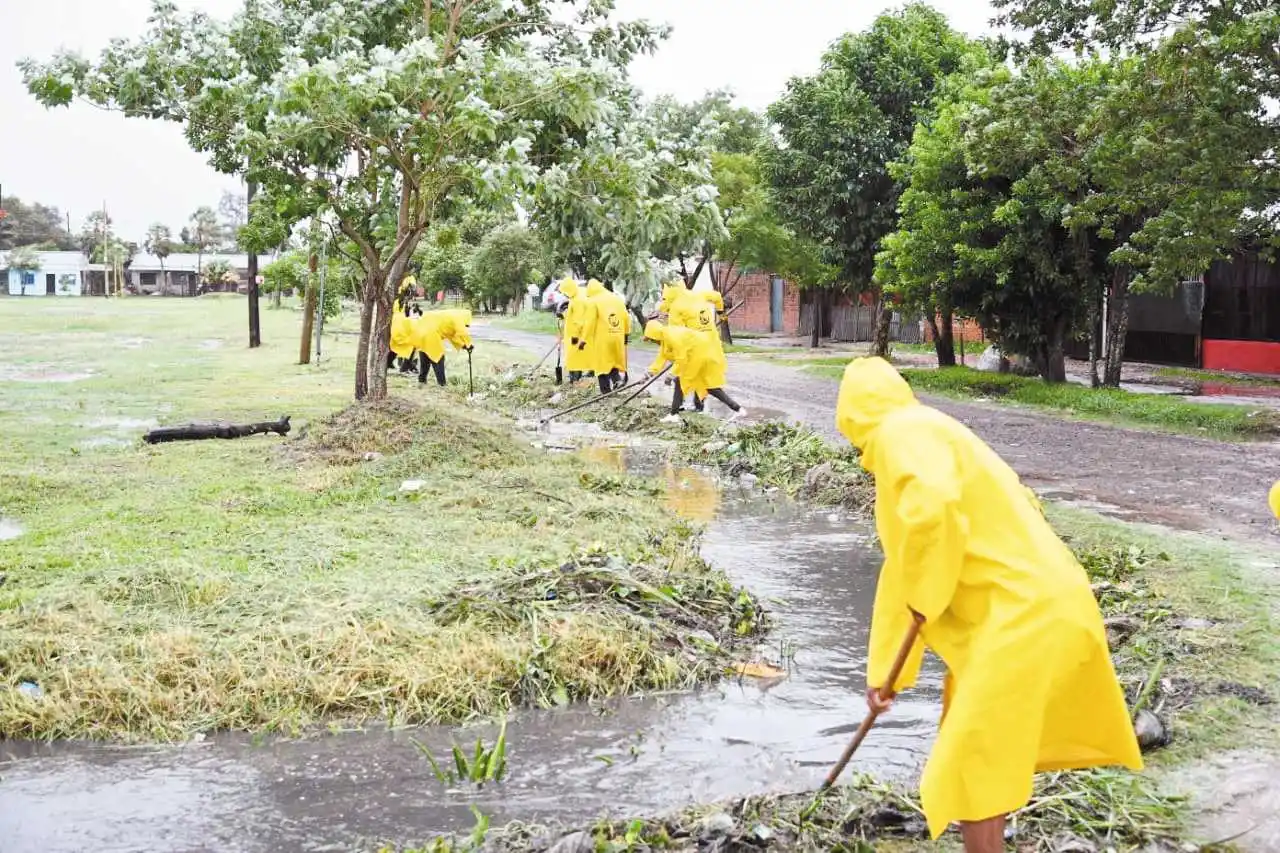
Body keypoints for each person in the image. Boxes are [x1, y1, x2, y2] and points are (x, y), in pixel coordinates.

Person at [835, 357, 1143, 853]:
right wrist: (887, 675)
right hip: (1037, 602)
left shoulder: (900, 433)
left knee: (973, 756)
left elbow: (932, 520)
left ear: (851, 417)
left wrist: (925, 601)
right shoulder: (936, 431)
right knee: (981, 751)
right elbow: (904, 569)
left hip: (1023, 613)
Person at [644, 320, 745, 422]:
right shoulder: (665, 338)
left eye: (651, 339)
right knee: (709, 386)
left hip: (700, 354)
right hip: (702, 354)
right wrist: (648, 375)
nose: (652, 342)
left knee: (680, 381)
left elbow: (682, 358)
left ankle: (674, 414)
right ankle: (738, 409)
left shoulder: (671, 336)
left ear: (655, 335)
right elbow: (661, 358)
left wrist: (671, 375)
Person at [581, 280, 631, 393]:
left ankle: (605, 392)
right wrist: (626, 334)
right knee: (613, 361)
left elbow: (590, 322)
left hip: (603, 338)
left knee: (602, 365)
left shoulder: (593, 301)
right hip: (618, 335)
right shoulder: (616, 299)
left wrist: (583, 339)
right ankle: (617, 380)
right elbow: (626, 317)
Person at [411, 308, 473, 386]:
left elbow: (452, 336)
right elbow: (462, 332)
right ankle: (442, 383)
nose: (466, 326)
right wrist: (469, 344)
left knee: (425, 355)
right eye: (466, 325)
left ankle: (422, 380)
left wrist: (463, 345)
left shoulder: (450, 316)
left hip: (421, 331)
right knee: (438, 357)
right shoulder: (458, 318)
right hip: (431, 333)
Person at [559, 278, 592, 383]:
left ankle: (575, 379)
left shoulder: (578, 300)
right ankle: (574, 377)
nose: (565, 295)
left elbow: (579, 321)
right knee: (574, 356)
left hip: (576, 335)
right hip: (574, 333)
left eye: (565, 292)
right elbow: (572, 315)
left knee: (575, 356)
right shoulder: (577, 294)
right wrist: (563, 314)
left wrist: (575, 336)